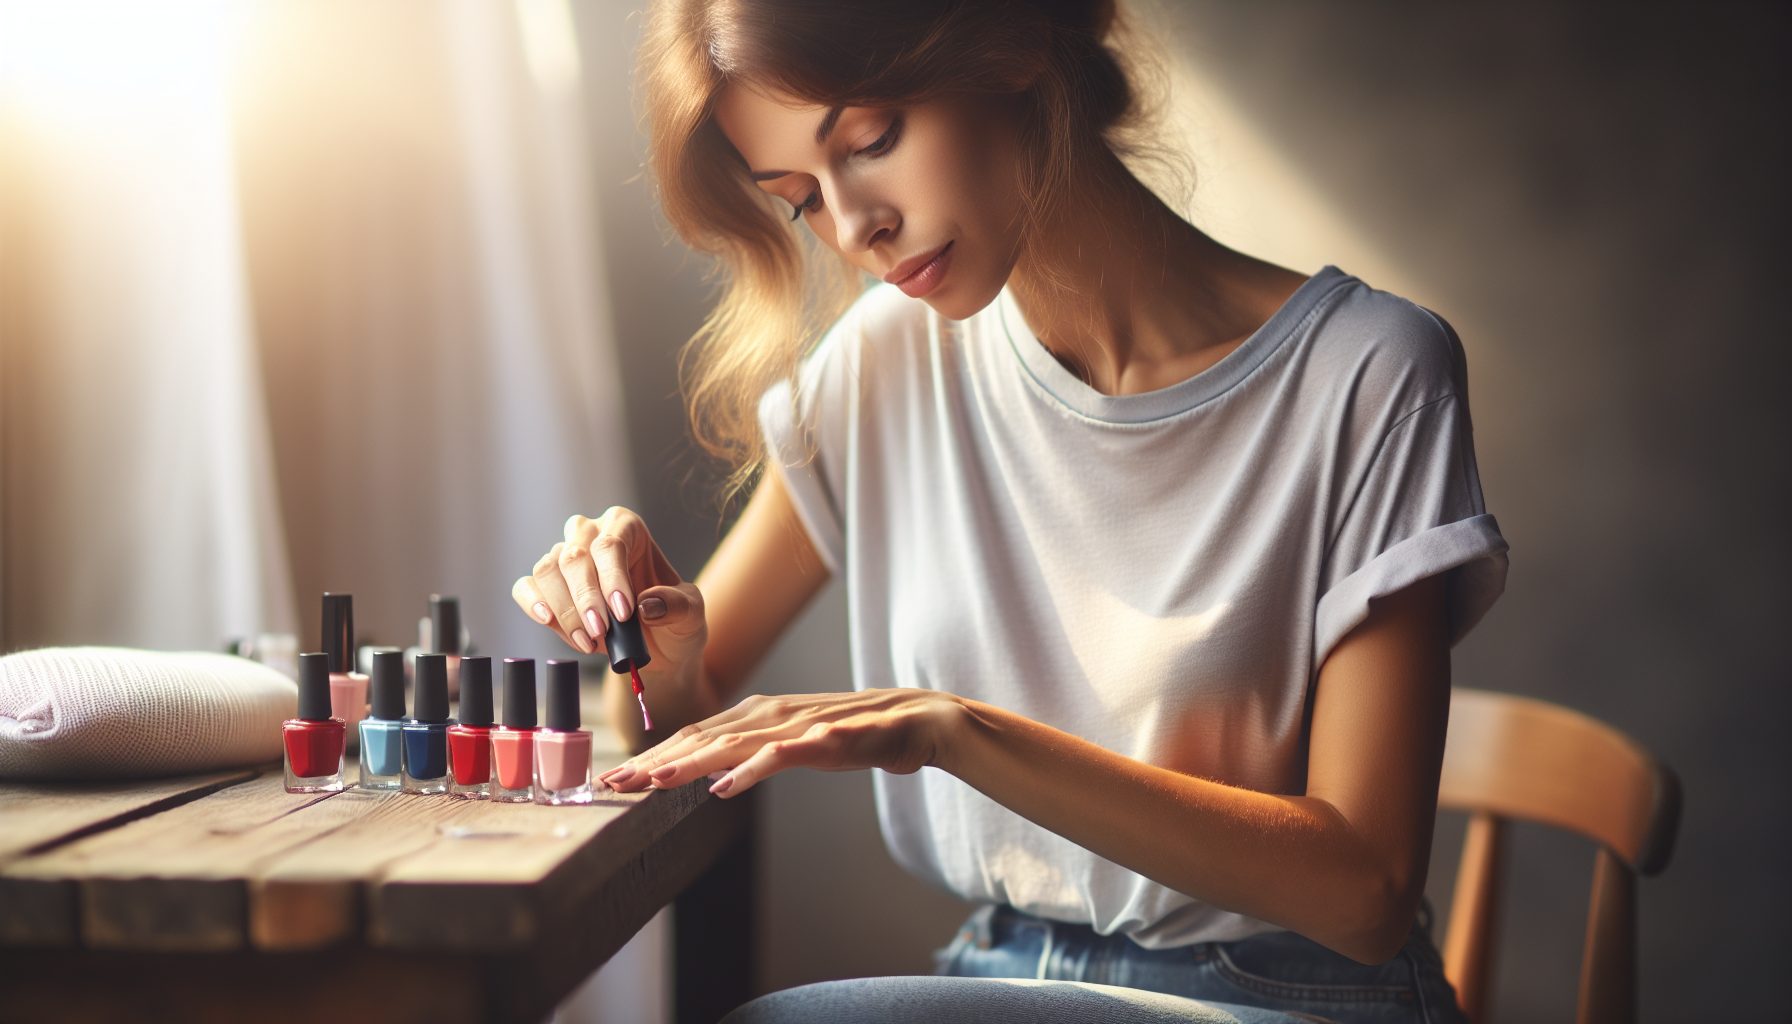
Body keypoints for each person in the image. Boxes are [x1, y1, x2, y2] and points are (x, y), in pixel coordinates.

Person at [514, 2, 1507, 1021]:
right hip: (998, 975)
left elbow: (1365, 893)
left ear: (1008, 45)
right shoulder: (883, 365)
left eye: (871, 141)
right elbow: (697, 700)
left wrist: (959, 733)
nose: (855, 227)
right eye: (801, 199)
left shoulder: (1368, 374)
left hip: (1294, 995)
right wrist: (661, 653)